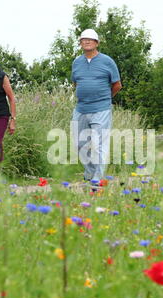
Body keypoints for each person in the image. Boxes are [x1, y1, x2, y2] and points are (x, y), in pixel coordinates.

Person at [71, 29, 122, 185]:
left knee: (99, 144)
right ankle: (90, 173)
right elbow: (76, 83)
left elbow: (117, 85)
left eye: (89, 40)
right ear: (80, 43)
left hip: (101, 109)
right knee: (79, 143)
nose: (86, 42)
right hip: (81, 108)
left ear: (96, 43)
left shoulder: (107, 61)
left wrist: (105, 99)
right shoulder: (76, 62)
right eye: (83, 40)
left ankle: (97, 178)